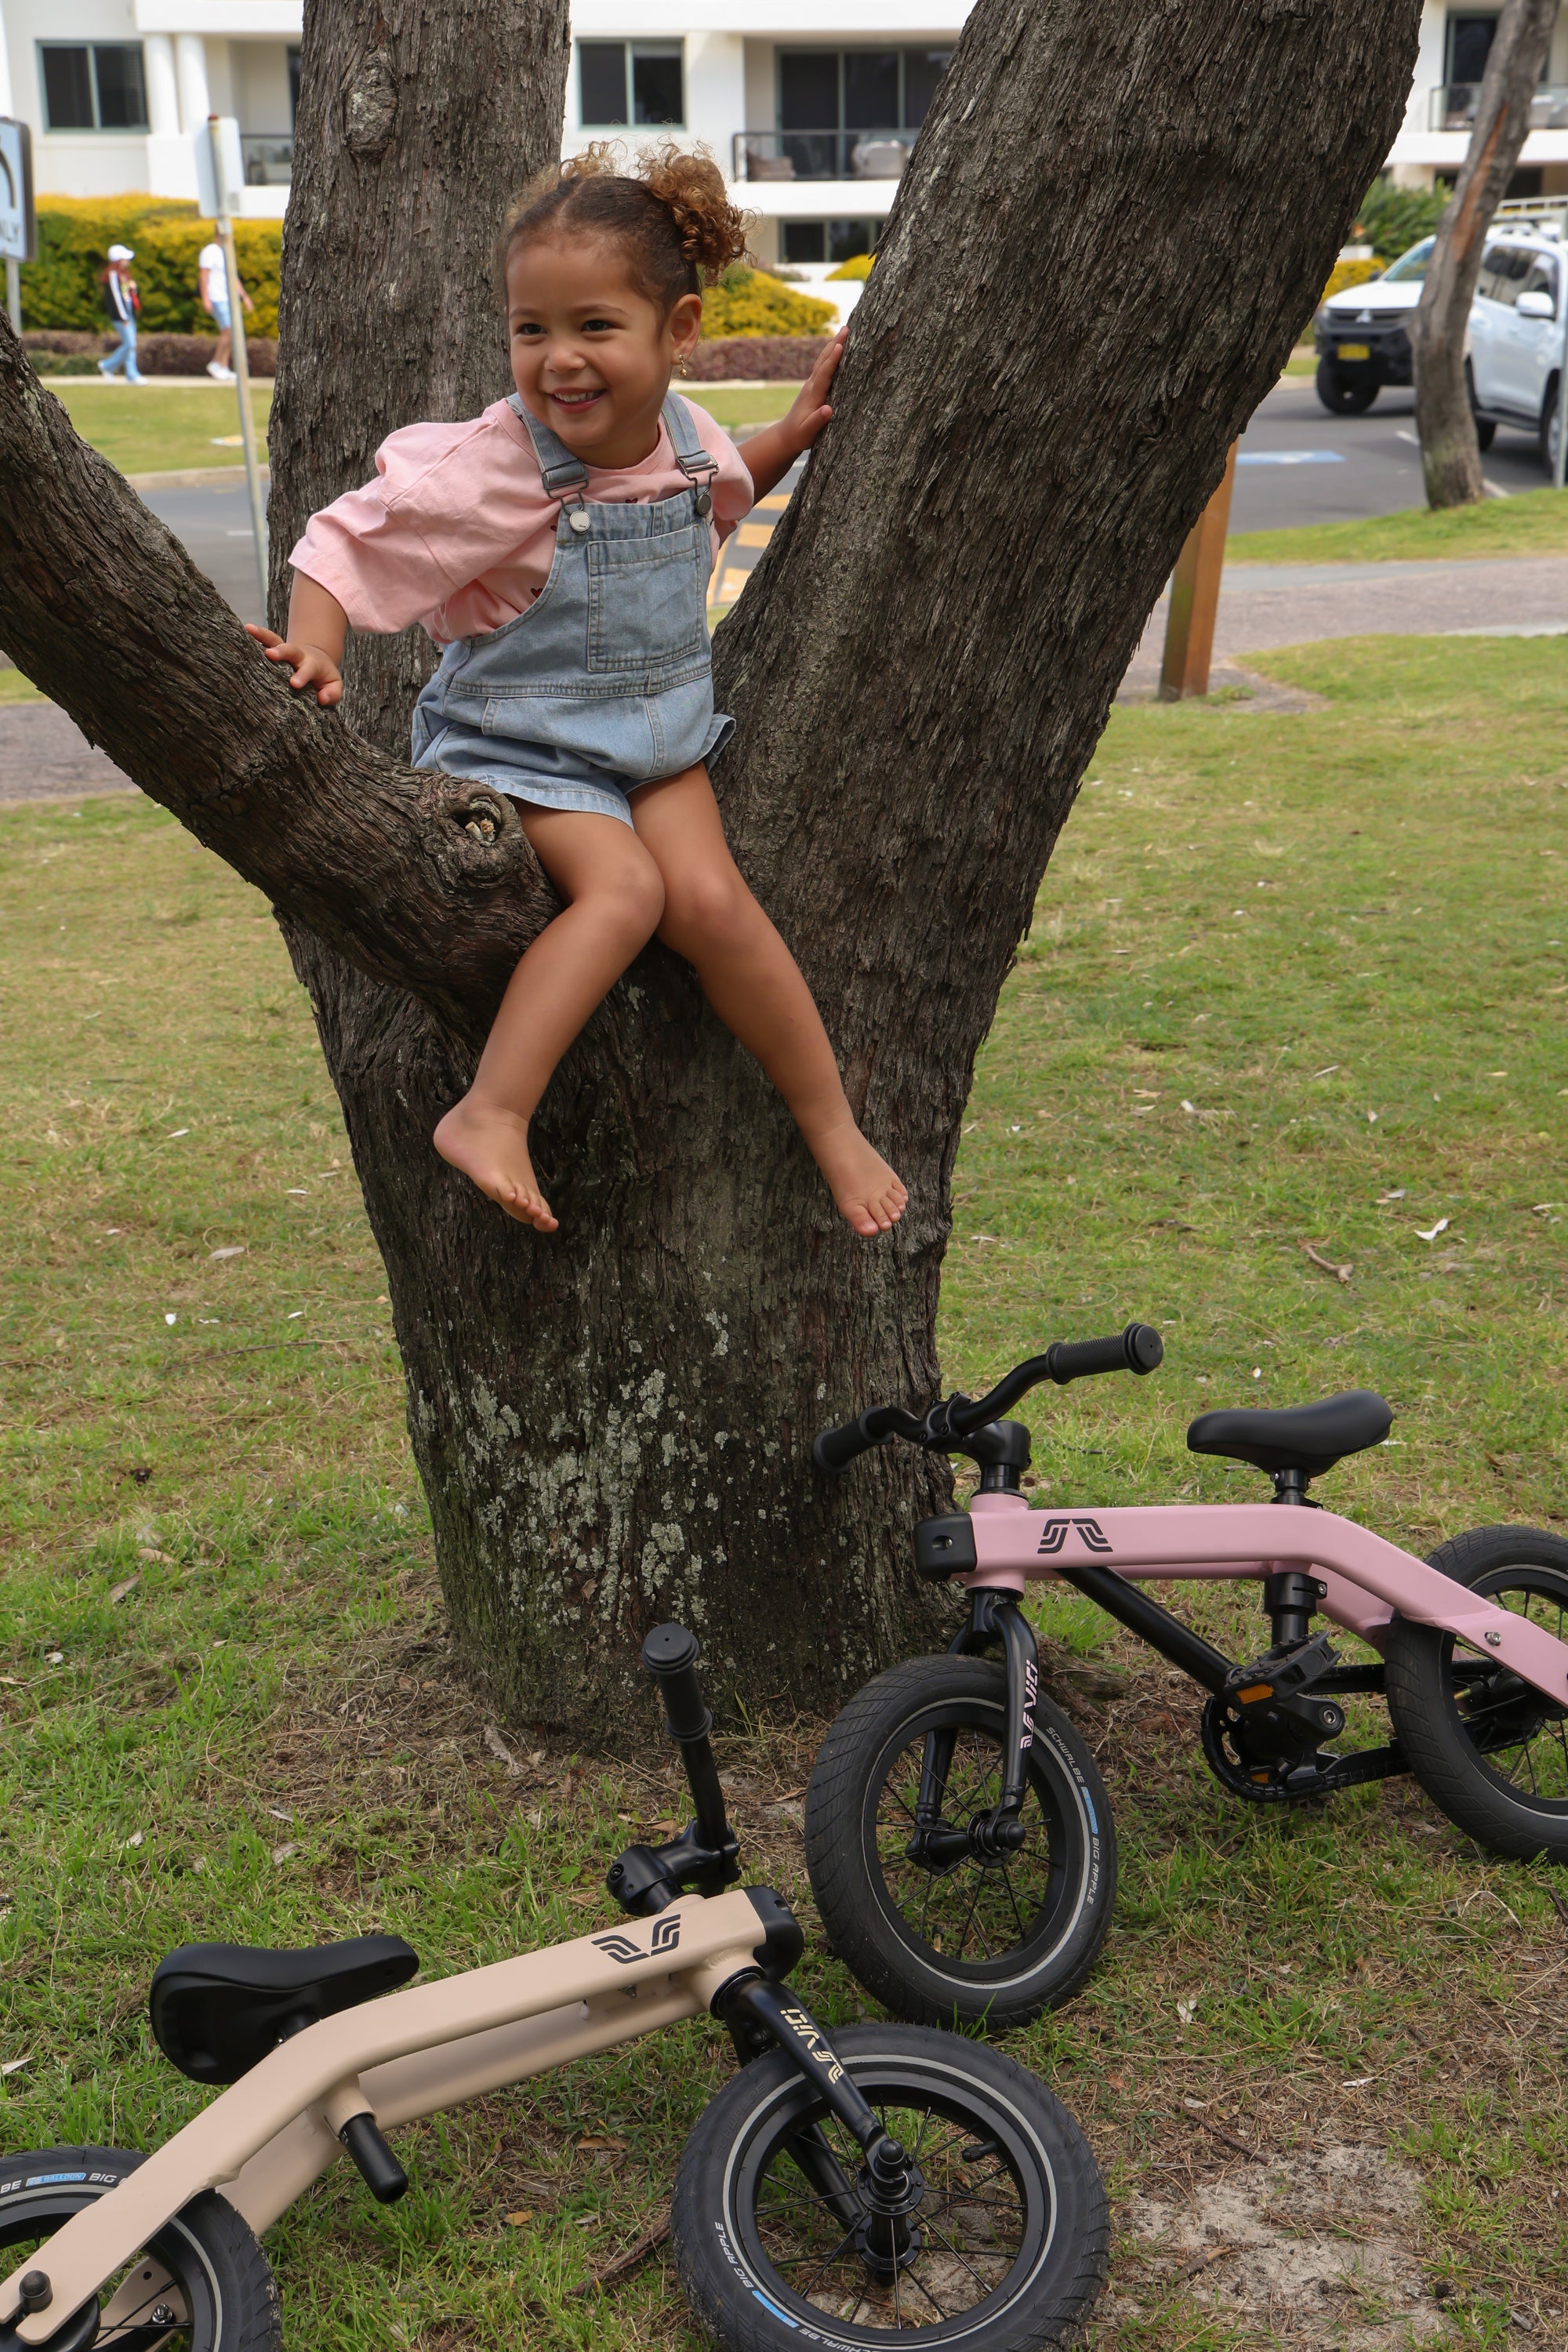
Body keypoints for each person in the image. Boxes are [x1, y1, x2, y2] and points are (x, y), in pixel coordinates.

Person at [246, 146, 906, 1241]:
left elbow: (722, 494)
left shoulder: (689, 439)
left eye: (595, 325)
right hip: (521, 744)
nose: (558, 360)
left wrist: (790, 438)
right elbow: (342, 539)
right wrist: (318, 646)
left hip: (656, 743)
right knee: (627, 893)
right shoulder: (498, 464)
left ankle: (831, 1125)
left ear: (677, 329)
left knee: (716, 908)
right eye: (530, 329)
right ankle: (491, 1112)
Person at [198, 235, 254, 382]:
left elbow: (233, 278)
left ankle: (223, 366)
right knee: (228, 329)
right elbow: (204, 276)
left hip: (229, 298)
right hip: (216, 297)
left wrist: (244, 297)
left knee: (232, 332)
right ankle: (216, 363)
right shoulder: (210, 251)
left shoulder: (227, 253)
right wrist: (206, 298)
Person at [98, 245, 142, 383]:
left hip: (129, 313)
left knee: (131, 344)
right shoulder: (113, 274)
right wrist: (123, 317)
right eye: (125, 258)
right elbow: (116, 297)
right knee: (130, 344)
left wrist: (133, 288)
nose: (127, 261)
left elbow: (127, 295)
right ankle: (107, 365)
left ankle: (131, 374)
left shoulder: (124, 274)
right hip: (121, 316)